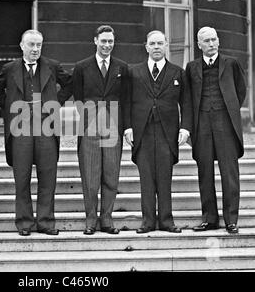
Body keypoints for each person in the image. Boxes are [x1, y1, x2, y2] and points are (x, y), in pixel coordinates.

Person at [0, 29, 72, 236]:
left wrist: (56, 102)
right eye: (31, 45)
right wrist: (12, 108)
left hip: (46, 127)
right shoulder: (9, 68)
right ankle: (24, 223)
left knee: (48, 177)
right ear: (22, 46)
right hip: (20, 129)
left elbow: (70, 84)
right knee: (22, 178)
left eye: (38, 45)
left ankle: (46, 222)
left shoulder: (52, 66)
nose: (35, 49)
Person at [125, 30, 192, 234]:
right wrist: (127, 127)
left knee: (165, 177)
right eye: (152, 43)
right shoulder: (133, 72)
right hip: (142, 132)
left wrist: (185, 128)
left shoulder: (177, 72)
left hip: (167, 133)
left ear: (166, 46)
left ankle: (166, 221)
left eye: (160, 43)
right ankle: (147, 221)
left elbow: (186, 103)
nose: (156, 47)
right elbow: (126, 102)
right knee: (146, 177)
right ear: (146, 46)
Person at [186, 27, 246, 234]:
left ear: (218, 41)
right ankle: (209, 218)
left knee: (229, 174)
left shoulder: (231, 63)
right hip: (201, 124)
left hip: (226, 125)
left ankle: (231, 220)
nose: (211, 44)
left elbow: (240, 91)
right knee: (205, 173)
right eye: (206, 41)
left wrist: (229, 112)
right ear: (199, 44)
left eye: (214, 40)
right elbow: (188, 98)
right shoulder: (191, 67)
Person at [72, 25, 130, 235]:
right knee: (90, 175)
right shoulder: (81, 67)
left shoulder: (122, 67)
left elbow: (125, 98)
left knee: (111, 174)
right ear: (95, 41)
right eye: (103, 41)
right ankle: (90, 220)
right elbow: (77, 97)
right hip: (90, 126)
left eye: (110, 42)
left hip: (114, 126)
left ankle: (107, 219)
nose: (107, 45)